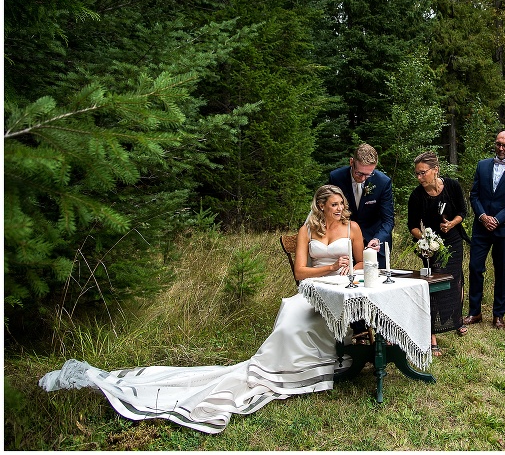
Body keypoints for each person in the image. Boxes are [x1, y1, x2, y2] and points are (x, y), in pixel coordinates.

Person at [39, 185, 364, 434]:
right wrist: (329, 268)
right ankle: (280, 368)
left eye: (342, 205)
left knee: (339, 313)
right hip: (311, 290)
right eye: (334, 205)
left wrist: (352, 267)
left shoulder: (352, 229)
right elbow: (299, 274)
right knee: (292, 321)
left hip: (344, 288)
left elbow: (362, 262)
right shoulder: (307, 230)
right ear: (321, 206)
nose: (340, 209)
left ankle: (336, 356)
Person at [464, 130, 505, 330]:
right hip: (482, 227)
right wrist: (483, 216)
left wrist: (498, 219)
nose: (501, 148)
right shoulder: (482, 165)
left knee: (502, 271)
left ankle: (498, 315)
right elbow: (474, 195)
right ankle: (474, 312)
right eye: (498, 144)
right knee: (475, 268)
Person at [407, 152, 470, 355]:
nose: (419, 177)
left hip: (452, 240)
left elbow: (462, 211)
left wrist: (452, 223)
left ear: (436, 170)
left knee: (455, 279)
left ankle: (456, 319)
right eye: (416, 174)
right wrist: (425, 239)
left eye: (422, 173)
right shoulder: (417, 196)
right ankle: (432, 333)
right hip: (430, 245)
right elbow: (412, 226)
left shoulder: (451, 186)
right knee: (434, 286)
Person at [329, 142, 394, 269]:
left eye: (369, 174)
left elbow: (388, 220)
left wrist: (377, 239)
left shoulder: (383, 182)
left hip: (375, 245)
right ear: (351, 162)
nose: (364, 178)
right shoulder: (336, 178)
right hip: (346, 244)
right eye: (359, 173)